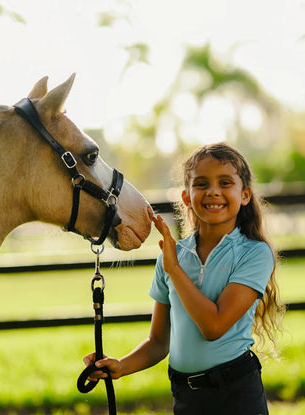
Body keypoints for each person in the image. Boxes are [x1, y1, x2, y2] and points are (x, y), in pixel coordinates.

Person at [83, 143, 284, 415]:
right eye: (201, 184)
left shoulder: (254, 253)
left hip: (235, 395)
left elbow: (213, 327)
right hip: (186, 397)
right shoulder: (173, 256)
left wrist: (174, 269)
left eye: (225, 182)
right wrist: (121, 366)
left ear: (245, 195)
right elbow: (158, 342)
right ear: (187, 197)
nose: (213, 191)